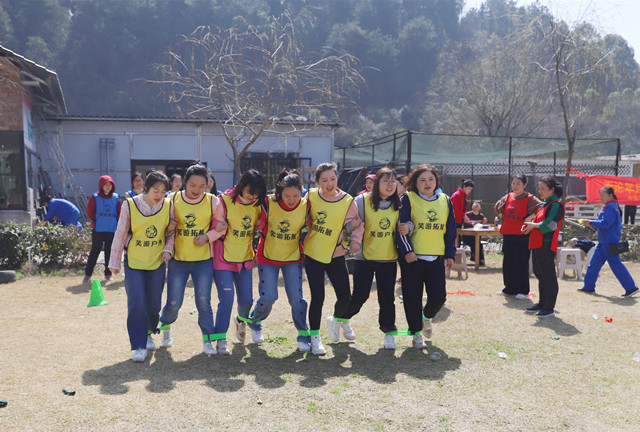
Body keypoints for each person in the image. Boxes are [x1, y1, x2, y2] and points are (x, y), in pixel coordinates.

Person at [158, 163, 227, 356]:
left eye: (202, 186)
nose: (197, 189)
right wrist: (169, 227)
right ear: (184, 183)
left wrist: (207, 237)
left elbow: (222, 227)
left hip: (203, 261)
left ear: (208, 185)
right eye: (192, 185)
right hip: (178, 260)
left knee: (204, 301)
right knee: (174, 302)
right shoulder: (172, 199)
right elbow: (163, 226)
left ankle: (208, 340)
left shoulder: (213, 201)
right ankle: (165, 325)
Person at [108, 170, 174, 362]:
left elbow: (171, 233)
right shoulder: (130, 204)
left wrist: (168, 249)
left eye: (163, 192)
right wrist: (114, 261)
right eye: (156, 190)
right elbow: (120, 233)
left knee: (154, 304)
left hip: (156, 262)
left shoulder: (168, 205)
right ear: (146, 188)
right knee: (136, 302)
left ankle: (149, 331)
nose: (159, 195)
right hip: (134, 262)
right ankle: (139, 345)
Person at [334, 167, 401, 349]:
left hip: (388, 259)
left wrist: (407, 226)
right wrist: (352, 237)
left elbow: (406, 225)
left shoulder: (400, 204)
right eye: (385, 181)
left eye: (392, 181)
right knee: (360, 295)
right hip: (365, 258)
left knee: (387, 299)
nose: (389, 185)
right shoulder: (362, 201)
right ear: (376, 183)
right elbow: (348, 225)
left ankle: (389, 332)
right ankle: (341, 319)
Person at [247, 170, 312, 353]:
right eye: (287, 196)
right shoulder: (268, 202)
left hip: (292, 258)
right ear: (279, 192)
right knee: (269, 297)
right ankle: (255, 321)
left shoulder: (307, 205)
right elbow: (252, 214)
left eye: (295, 196)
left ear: (301, 191)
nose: (291, 200)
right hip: (268, 257)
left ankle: (303, 335)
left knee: (297, 299)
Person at [397, 164, 456, 350]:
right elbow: (401, 227)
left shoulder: (445, 200)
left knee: (439, 297)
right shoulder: (408, 198)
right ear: (415, 183)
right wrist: (408, 251)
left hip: (436, 257)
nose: (427, 183)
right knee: (412, 298)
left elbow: (450, 229)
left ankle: (426, 318)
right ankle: (416, 335)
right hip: (412, 259)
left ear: (436, 181)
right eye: (422, 180)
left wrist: (450, 253)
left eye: (431, 179)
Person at [304, 162, 359, 355]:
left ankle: (337, 319)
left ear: (337, 179)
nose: (329, 183)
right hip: (313, 254)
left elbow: (356, 225)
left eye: (333, 179)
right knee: (318, 297)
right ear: (317, 182)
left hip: (336, 255)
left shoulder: (348, 201)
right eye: (324, 180)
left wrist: (354, 242)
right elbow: (300, 217)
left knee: (345, 297)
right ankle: (315, 338)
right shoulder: (310, 196)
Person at [212, 169, 267, 355]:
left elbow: (263, 223)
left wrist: (261, 224)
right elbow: (212, 222)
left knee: (246, 300)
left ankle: (241, 320)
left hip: (245, 258)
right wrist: (217, 226)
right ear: (242, 186)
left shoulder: (257, 205)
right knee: (226, 299)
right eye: (251, 192)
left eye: (257, 194)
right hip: (223, 259)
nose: (253, 197)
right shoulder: (223, 201)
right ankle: (220, 339)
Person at [578, 187, 639, 297]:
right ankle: (588, 286)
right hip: (605, 241)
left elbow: (605, 223)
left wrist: (590, 222)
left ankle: (631, 288)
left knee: (615, 265)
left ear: (610, 195)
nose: (600, 198)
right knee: (594, 264)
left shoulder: (611, 207)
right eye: (600, 195)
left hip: (609, 241)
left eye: (603, 195)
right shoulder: (611, 206)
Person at [522, 176, 565, 318]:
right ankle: (542, 304)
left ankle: (549, 308)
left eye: (543, 189)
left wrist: (533, 225)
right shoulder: (544, 204)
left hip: (546, 244)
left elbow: (551, 225)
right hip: (537, 243)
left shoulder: (555, 205)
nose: (540, 191)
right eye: (539, 188)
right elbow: (537, 223)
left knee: (548, 275)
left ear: (552, 190)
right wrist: (529, 227)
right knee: (540, 274)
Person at [494, 174, 542, 297]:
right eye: (513, 183)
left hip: (522, 234)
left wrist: (530, 218)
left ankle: (523, 291)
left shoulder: (530, 198)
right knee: (508, 262)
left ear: (524, 185)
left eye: (518, 184)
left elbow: (542, 208)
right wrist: (502, 216)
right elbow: (497, 207)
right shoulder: (508, 197)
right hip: (508, 233)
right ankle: (509, 288)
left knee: (521, 262)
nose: (515, 186)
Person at [84, 175, 121, 284]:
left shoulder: (116, 198)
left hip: (112, 230)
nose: (108, 187)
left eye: (110, 184)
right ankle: (87, 274)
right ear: (101, 185)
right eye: (106, 184)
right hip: (98, 229)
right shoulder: (95, 197)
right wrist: (95, 220)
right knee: (95, 251)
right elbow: (90, 211)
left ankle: (108, 274)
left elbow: (120, 213)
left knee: (109, 252)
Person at [463, 201, 488, 265]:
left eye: (478, 204)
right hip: (467, 236)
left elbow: (481, 227)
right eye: (475, 204)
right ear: (472, 206)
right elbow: (466, 225)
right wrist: (475, 223)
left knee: (478, 243)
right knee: (476, 243)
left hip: (477, 236)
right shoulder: (467, 214)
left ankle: (476, 258)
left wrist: (484, 223)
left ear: (480, 208)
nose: (476, 205)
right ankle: (478, 259)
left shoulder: (481, 216)